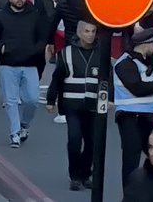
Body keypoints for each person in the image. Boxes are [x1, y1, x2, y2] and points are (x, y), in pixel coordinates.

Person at [0, 0, 48, 148]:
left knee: (33, 100)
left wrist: (36, 50)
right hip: (8, 64)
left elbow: (43, 37)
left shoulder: (35, 14)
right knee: (11, 101)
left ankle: (24, 125)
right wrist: (2, 47)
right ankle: (14, 133)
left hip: (30, 64)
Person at [45, 20, 102, 191]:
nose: (90, 34)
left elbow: (108, 79)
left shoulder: (101, 53)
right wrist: (50, 100)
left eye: (93, 31)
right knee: (75, 140)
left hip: (92, 106)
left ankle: (85, 174)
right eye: (86, 31)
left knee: (92, 143)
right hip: (72, 106)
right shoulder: (66, 53)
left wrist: (110, 98)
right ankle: (75, 176)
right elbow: (57, 79)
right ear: (79, 33)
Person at [114, 28, 153, 183]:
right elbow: (137, 88)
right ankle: (130, 194)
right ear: (145, 44)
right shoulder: (125, 64)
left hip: (149, 117)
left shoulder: (147, 61)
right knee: (131, 158)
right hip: (130, 118)